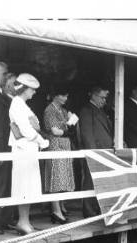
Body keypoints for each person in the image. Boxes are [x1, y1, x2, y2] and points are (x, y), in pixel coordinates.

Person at [8, 73, 49, 235]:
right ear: (25, 89)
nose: (34, 92)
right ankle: (22, 222)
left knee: (29, 185)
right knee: (24, 185)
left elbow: (35, 125)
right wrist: (41, 141)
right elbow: (26, 129)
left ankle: (25, 221)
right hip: (23, 149)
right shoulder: (17, 104)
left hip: (28, 150)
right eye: (32, 89)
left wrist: (35, 130)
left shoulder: (22, 104)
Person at [43, 84, 77, 224]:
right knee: (56, 178)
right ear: (55, 95)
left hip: (64, 145)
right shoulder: (50, 110)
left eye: (67, 96)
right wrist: (68, 130)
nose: (65, 98)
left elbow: (68, 125)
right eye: (63, 95)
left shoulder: (63, 110)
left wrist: (71, 122)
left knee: (63, 177)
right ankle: (55, 210)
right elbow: (55, 131)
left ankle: (60, 206)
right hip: (56, 145)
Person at [78, 86, 113, 218]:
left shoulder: (101, 111)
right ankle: (89, 211)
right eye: (102, 97)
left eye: (105, 98)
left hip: (104, 151)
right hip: (95, 152)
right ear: (93, 95)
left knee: (100, 181)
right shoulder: (87, 110)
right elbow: (87, 134)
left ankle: (98, 208)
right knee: (90, 181)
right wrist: (93, 152)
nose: (104, 101)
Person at [0, 62, 15, 233]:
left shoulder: (3, 96)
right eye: (4, 74)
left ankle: (4, 220)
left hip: (6, 147)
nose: (7, 77)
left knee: (5, 185)